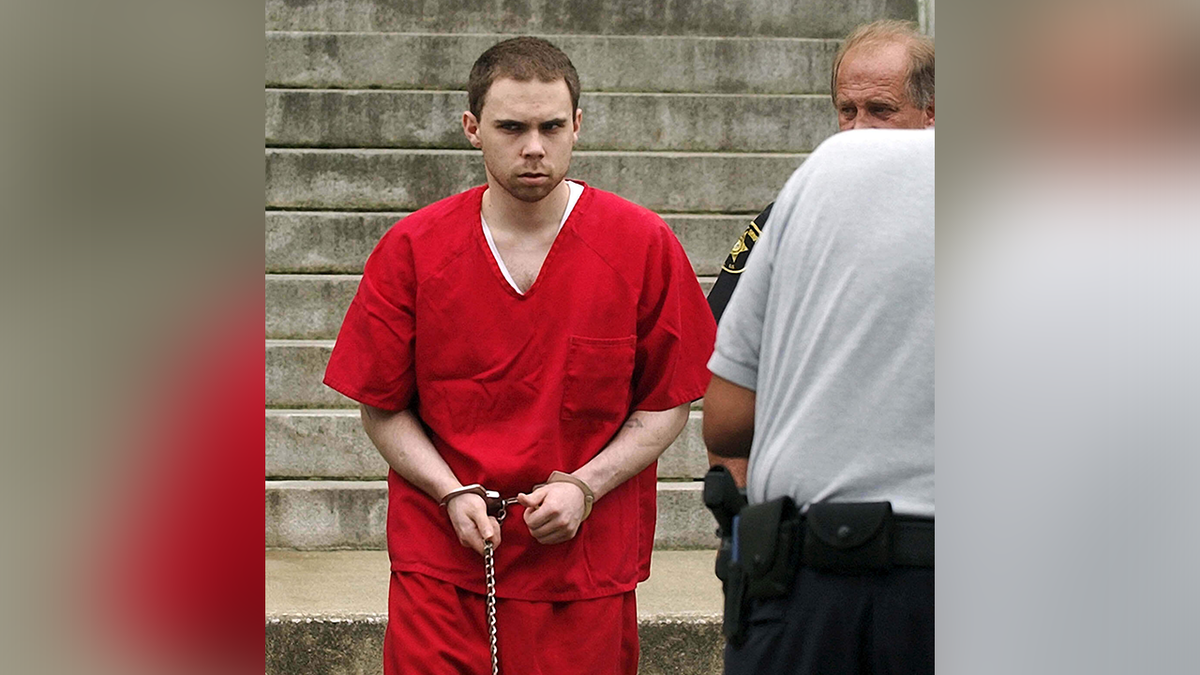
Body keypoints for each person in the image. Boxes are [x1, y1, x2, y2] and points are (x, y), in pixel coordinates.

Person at [322, 37, 717, 675]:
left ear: (577, 126)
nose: (533, 146)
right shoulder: (414, 249)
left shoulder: (642, 245)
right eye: (511, 127)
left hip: (583, 563)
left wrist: (586, 487)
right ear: (473, 129)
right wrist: (450, 492)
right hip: (444, 560)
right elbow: (383, 407)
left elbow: (667, 402)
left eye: (551, 126)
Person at [702, 128, 934, 674]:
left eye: (877, 110)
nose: (861, 126)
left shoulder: (829, 168)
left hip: (808, 591)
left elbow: (726, 420)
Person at [706, 18, 934, 486]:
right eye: (847, 110)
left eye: (880, 109)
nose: (857, 128)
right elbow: (726, 407)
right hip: (820, 524)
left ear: (933, 112)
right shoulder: (788, 219)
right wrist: (740, 522)